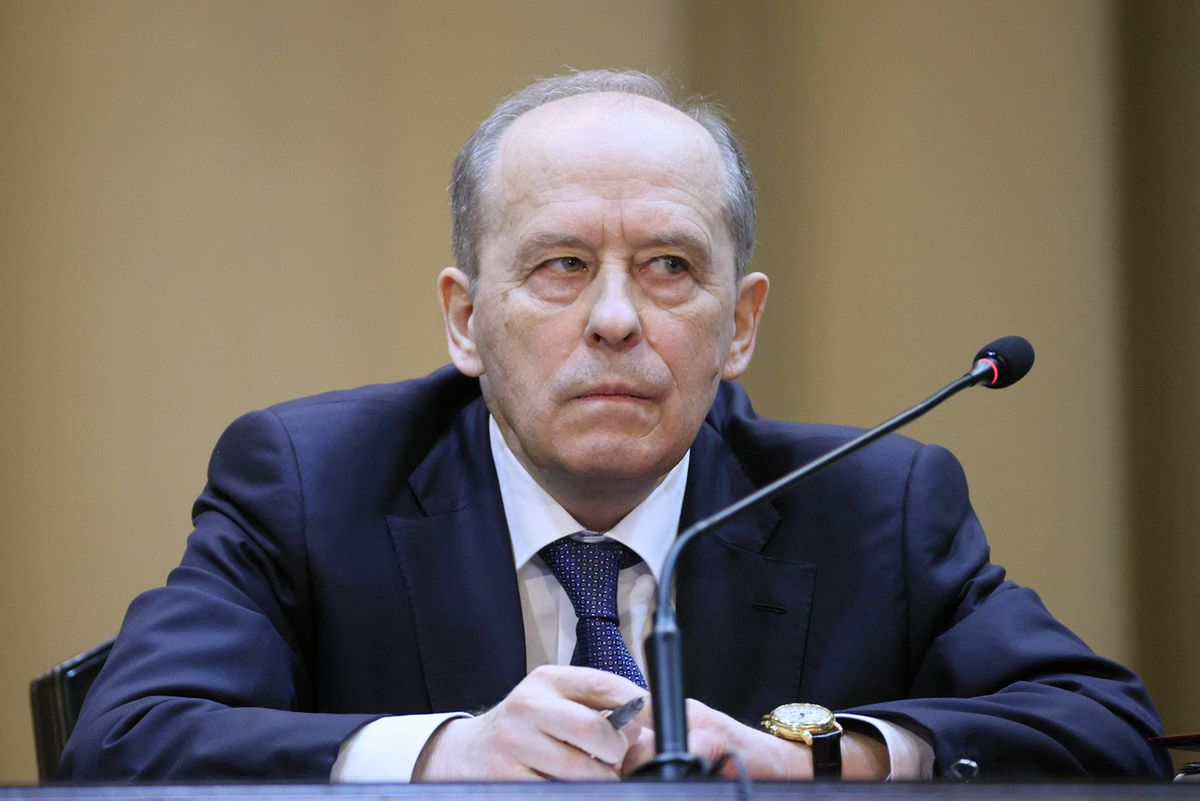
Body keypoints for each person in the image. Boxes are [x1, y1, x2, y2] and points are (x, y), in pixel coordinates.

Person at [59, 70, 1171, 783]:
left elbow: (1108, 729)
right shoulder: (309, 481)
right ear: (465, 319)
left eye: (670, 267)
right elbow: (123, 741)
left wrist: (827, 757)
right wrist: (452, 751)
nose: (615, 320)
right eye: (560, 267)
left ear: (739, 325)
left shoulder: (873, 501)